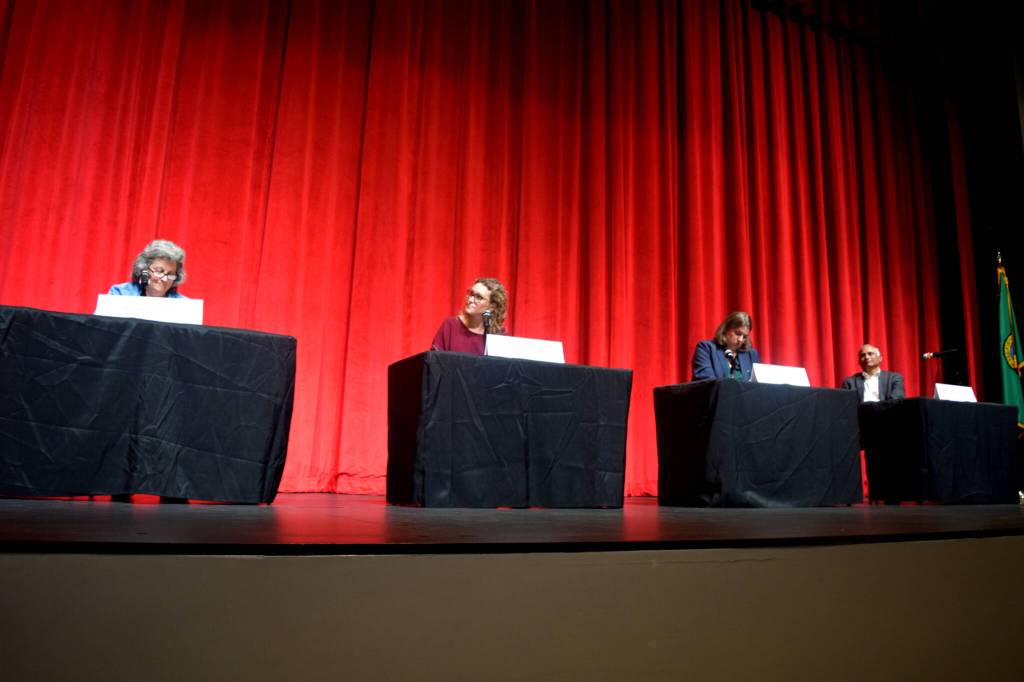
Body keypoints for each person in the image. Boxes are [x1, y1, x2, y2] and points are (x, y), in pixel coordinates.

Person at [431, 277, 508, 355]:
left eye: (478, 297)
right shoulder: (450, 325)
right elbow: (434, 360)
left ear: (492, 306)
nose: (470, 300)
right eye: (471, 294)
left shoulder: (498, 334)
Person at [692, 311, 761, 381]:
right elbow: (706, 382)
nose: (741, 339)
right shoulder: (705, 349)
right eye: (737, 333)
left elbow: (759, 385)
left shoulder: (751, 355)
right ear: (726, 329)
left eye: (745, 336)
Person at [108, 239, 188, 298]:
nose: (165, 279)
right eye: (159, 271)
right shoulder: (119, 294)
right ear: (144, 269)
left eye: (170, 274)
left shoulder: (185, 306)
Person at [841, 343, 905, 402]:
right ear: (859, 361)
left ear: (880, 358)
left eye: (870, 354)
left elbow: (896, 401)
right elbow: (846, 405)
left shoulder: (894, 378)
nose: (866, 357)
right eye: (863, 355)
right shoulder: (849, 382)